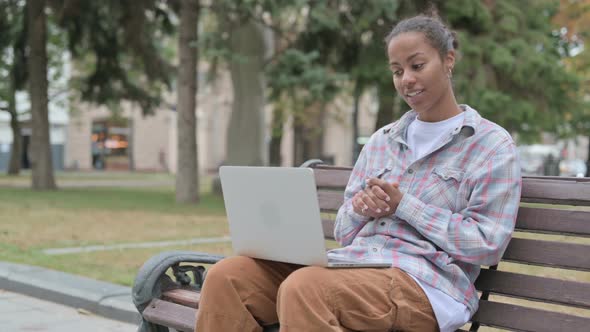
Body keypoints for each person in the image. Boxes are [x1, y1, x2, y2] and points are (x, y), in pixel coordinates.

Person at [195, 14, 522, 332]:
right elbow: (343, 231)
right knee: (228, 277)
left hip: (428, 286)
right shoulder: (382, 141)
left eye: (417, 65)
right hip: (354, 267)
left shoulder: (490, 145)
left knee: (306, 287)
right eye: (397, 71)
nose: (406, 79)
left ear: (448, 60)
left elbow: (487, 244)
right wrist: (360, 209)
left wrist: (404, 205)